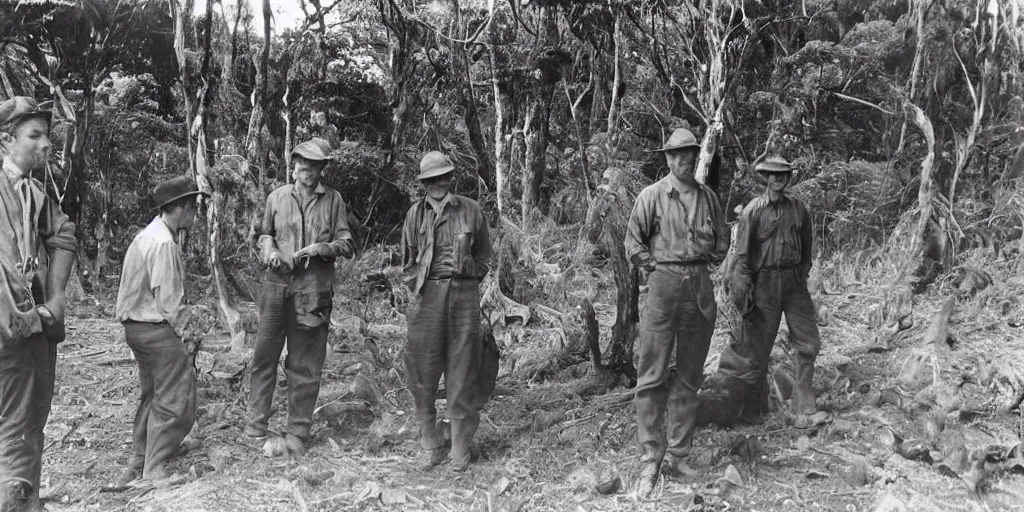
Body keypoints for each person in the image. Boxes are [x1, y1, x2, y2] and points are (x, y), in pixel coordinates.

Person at [624, 128, 729, 496]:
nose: (682, 160)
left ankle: (680, 455)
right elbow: (632, 241)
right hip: (663, 286)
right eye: (675, 154)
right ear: (667, 158)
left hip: (698, 285)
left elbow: (722, 240)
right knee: (651, 375)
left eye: (688, 154)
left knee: (689, 376)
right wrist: (654, 266)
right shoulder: (651, 196)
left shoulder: (708, 198)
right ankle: (650, 457)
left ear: (697, 156)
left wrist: (703, 263)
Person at [246, 137, 354, 454]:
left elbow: (346, 242)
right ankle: (255, 426)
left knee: (305, 363)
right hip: (276, 284)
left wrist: (325, 248)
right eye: (302, 163)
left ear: (322, 169)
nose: (307, 169)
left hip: (313, 288)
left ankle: (297, 432)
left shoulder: (333, 201)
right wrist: (271, 252)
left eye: (315, 164)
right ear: (294, 166)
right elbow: (262, 235)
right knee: (264, 356)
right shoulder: (277, 197)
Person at [698, 156, 822, 428]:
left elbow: (807, 249)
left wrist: (801, 273)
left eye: (782, 175)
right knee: (754, 346)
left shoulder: (799, 210)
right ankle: (751, 405)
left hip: (793, 282)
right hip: (764, 282)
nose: (777, 180)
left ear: (788, 178)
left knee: (809, 341)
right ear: (765, 178)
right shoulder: (753, 210)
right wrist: (743, 287)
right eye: (772, 175)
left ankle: (803, 401)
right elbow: (742, 255)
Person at [0, 96, 77, 512]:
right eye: (35, 135)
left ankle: (23, 501)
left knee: (31, 422)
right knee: (14, 427)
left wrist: (57, 295)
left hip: (34, 328)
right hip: (7, 334)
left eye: (46, 134)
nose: (46, 143)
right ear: (5, 140)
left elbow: (63, 235)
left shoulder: (31, 193)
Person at [401, 151, 495, 472]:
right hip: (426, 298)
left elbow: (483, 255)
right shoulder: (415, 215)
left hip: (463, 298)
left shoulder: (470, 210)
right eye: (431, 179)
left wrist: (465, 282)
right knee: (422, 373)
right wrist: (421, 287)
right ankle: (430, 442)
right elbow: (407, 261)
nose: (438, 183)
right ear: (424, 183)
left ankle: (459, 449)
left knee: (463, 371)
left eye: (443, 177)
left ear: (450, 178)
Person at [114, 176, 208, 485]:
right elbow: (169, 303)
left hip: (136, 328)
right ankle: (154, 468)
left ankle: (139, 457)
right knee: (174, 396)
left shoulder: (148, 235)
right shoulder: (164, 243)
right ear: (179, 209)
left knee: (152, 393)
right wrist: (190, 334)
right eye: (192, 208)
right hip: (154, 328)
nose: (195, 214)